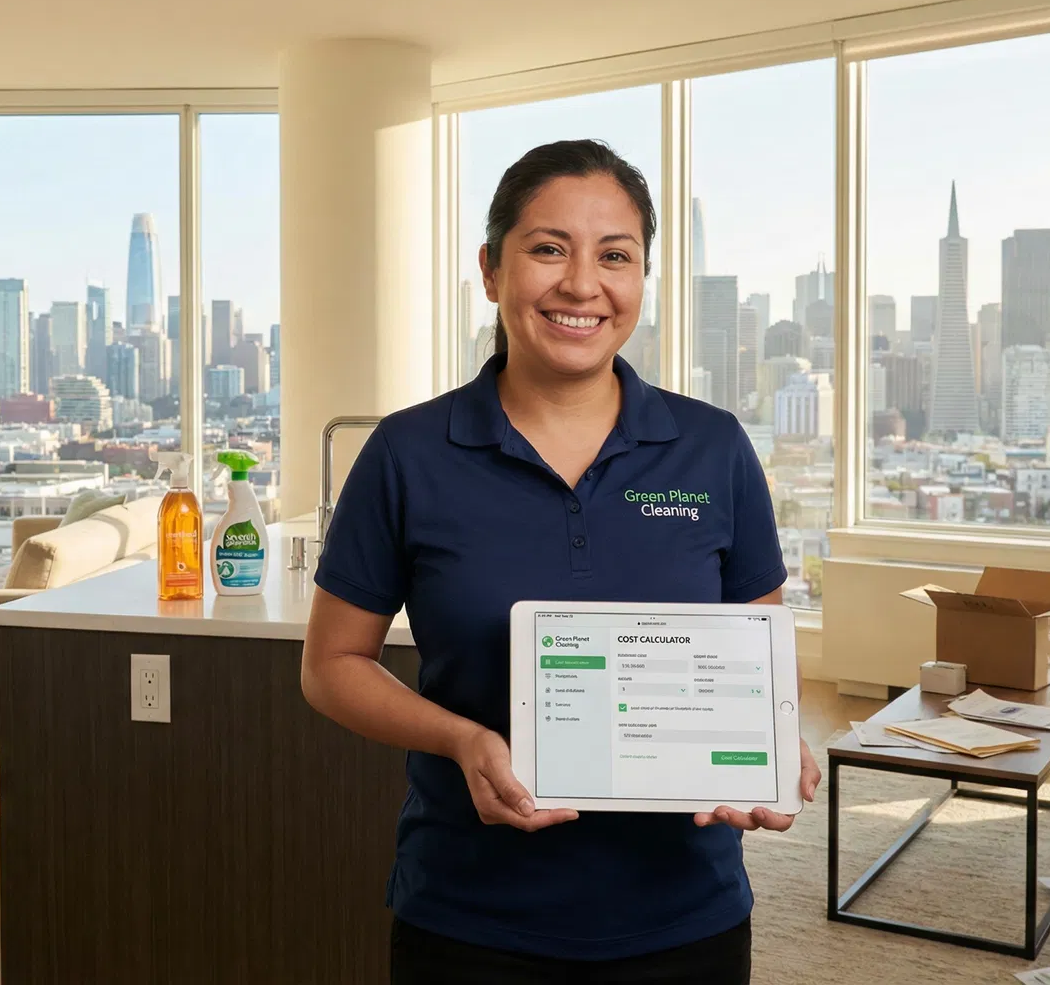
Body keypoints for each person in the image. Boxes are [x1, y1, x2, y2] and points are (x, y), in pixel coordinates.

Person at [301, 138, 821, 984]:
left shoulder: (714, 447)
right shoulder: (406, 453)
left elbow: (757, 649)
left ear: (642, 279)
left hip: (685, 913)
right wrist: (463, 740)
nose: (583, 285)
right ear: (491, 270)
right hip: (470, 913)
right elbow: (331, 666)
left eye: (615, 256)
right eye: (548, 249)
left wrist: (770, 744)